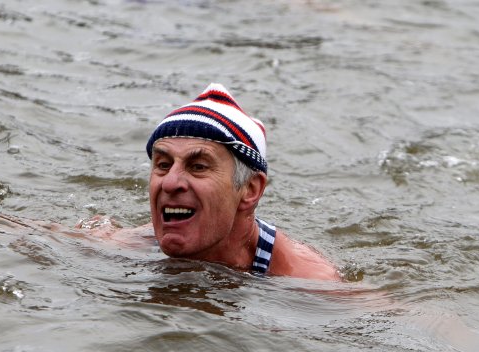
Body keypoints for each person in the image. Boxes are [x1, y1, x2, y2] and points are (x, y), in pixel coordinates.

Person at [124, 83, 340, 280]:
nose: (170, 183)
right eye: (163, 165)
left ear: (250, 189)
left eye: (198, 166)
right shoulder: (129, 244)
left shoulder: (309, 281)